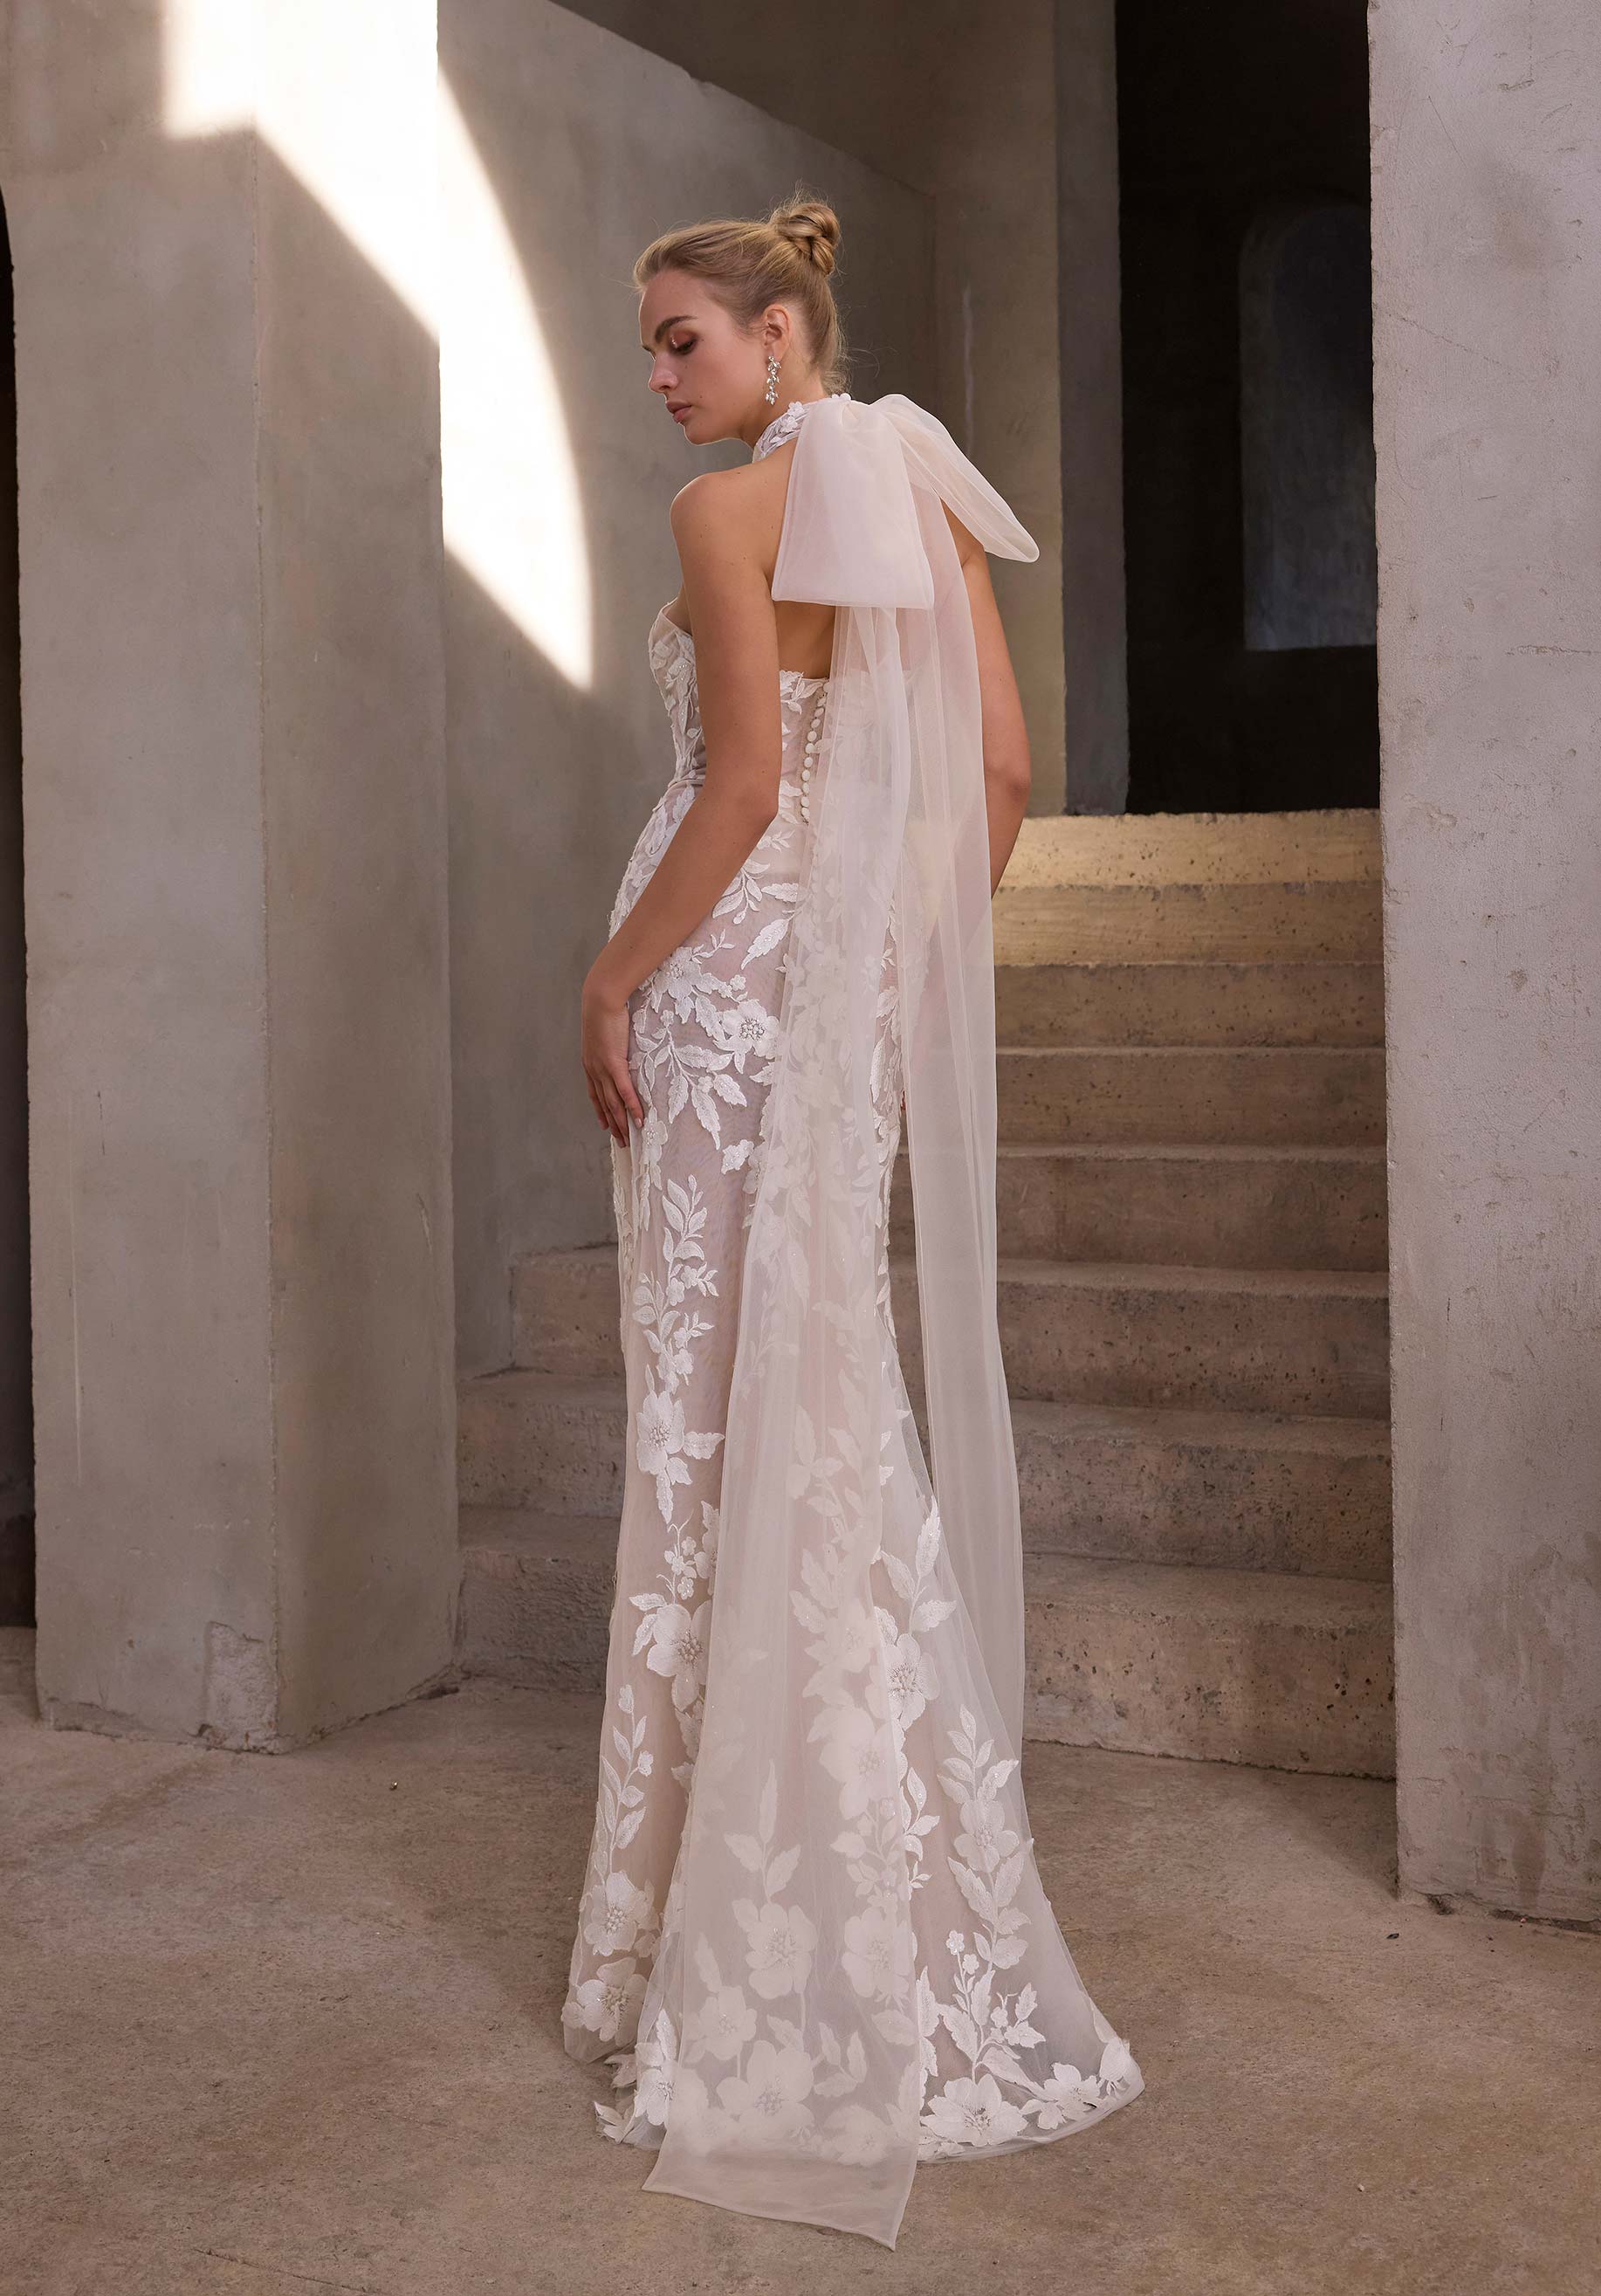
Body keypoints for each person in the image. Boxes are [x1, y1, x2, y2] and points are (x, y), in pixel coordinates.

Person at [564, 193, 1144, 2248]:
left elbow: (736, 786)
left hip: (716, 994)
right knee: (811, 1417)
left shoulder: (720, 515)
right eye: (650, 345)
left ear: (781, 332)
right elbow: (998, 774)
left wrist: (612, 978)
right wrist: (886, 982)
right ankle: (862, 1898)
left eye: (682, 339)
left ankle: (700, 1933)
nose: (660, 376)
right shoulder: (922, 502)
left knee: (715, 1437)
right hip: (824, 1010)